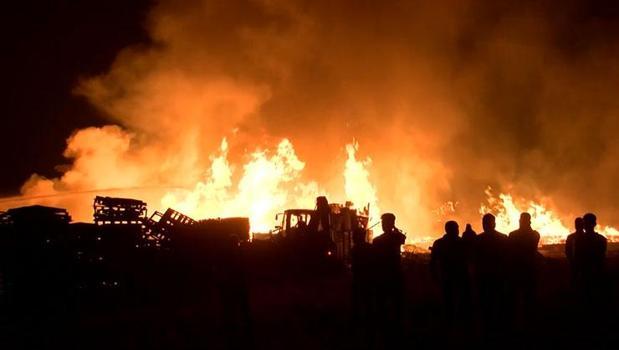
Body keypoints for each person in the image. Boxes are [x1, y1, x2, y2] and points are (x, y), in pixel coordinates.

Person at [372, 213, 406, 343]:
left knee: (382, 303)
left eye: (383, 222)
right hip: (395, 274)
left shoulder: (377, 240)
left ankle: (384, 328)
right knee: (397, 302)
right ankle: (397, 328)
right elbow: (402, 238)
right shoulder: (397, 237)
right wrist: (395, 228)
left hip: (383, 275)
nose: (382, 225)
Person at [430, 221, 470, 325]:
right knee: (460, 301)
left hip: (446, 276)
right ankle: (459, 323)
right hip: (459, 276)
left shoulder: (439, 243)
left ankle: (449, 323)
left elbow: (433, 262)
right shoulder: (462, 242)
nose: (457, 230)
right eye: (456, 228)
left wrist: (434, 276)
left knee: (449, 301)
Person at [475, 213, 508, 331]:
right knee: (500, 300)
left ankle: (486, 326)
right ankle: (500, 326)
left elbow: (473, 258)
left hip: (483, 275)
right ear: (494, 224)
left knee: (485, 302)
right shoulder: (504, 238)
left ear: (484, 224)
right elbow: (508, 257)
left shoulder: (478, 239)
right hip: (499, 274)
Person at [507, 212, 540, 326]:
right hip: (530, 268)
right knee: (529, 297)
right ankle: (529, 322)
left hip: (517, 269)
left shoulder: (512, 235)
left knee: (515, 297)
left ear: (520, 221)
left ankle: (513, 322)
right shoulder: (535, 234)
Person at [574, 213, 607, 310]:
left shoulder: (579, 239)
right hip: (597, 272)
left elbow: (577, 257)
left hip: (585, 273)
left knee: (585, 301)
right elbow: (602, 257)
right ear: (595, 224)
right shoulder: (601, 239)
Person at [350, 227, 375, 345]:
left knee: (358, 303)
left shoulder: (354, 250)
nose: (353, 238)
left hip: (359, 280)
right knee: (368, 303)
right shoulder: (370, 248)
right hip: (368, 280)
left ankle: (358, 326)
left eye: (355, 236)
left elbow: (353, 265)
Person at [565, 217, 585, 288]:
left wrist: (570, 260)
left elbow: (567, 251)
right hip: (578, 263)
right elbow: (567, 251)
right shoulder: (587, 237)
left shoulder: (571, 237)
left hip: (579, 263)